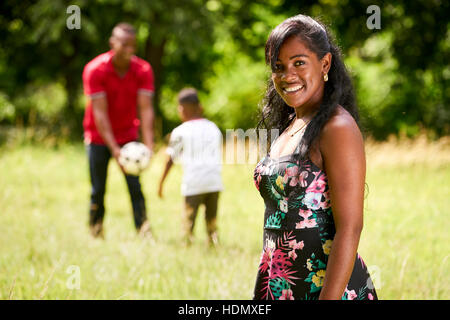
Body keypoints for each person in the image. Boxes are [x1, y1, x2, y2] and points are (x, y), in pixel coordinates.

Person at [252, 14, 378, 300]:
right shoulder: (292, 126)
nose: (287, 75)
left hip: (326, 288)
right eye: (278, 66)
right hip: (281, 282)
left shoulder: (337, 127)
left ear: (325, 64)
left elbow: (350, 227)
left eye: (299, 63)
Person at [82, 22, 155, 239]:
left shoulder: (143, 69)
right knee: (98, 188)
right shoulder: (95, 69)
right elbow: (100, 113)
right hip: (97, 137)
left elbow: (145, 108)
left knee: (135, 186)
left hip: (128, 136)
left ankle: (143, 230)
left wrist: (149, 144)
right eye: (124, 45)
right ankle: (96, 230)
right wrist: (114, 148)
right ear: (112, 43)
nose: (129, 50)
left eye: (133, 45)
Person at [158, 88, 223, 246]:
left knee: (188, 221)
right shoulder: (213, 128)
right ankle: (213, 244)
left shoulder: (180, 131)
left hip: (193, 183)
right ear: (199, 107)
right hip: (214, 182)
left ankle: (187, 245)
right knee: (211, 221)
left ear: (182, 109)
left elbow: (170, 159)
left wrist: (160, 183)